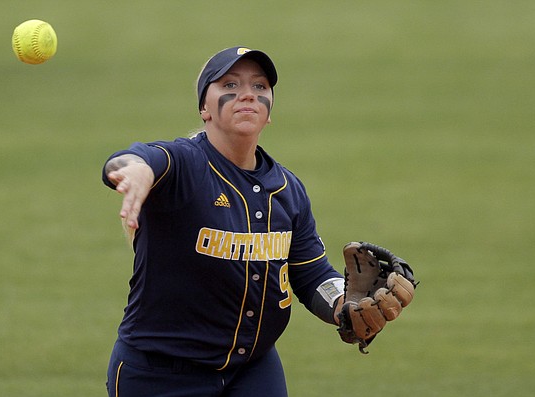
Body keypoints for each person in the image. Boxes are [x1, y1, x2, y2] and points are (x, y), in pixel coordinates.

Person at [101, 46, 410, 397]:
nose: (247, 94)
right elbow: (132, 159)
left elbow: (311, 273)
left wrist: (343, 305)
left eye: (260, 87)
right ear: (205, 108)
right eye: (229, 85)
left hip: (253, 371)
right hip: (160, 374)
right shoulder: (184, 166)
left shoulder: (287, 190)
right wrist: (136, 172)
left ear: (269, 112)